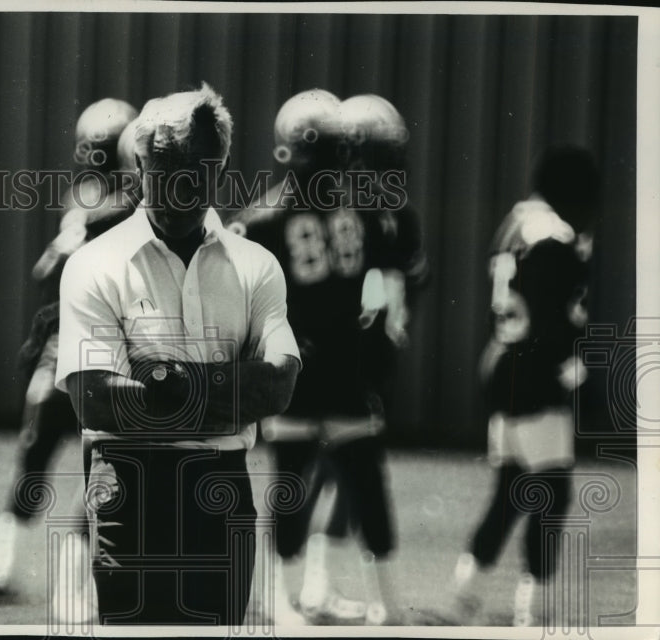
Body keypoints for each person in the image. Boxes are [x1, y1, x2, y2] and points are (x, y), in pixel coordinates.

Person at [56, 83, 301, 625]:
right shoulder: (95, 263)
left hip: (222, 484)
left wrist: (162, 381)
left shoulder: (256, 264)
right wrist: (224, 388)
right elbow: (95, 401)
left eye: (200, 168)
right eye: (166, 169)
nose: (183, 186)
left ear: (222, 166)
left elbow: (280, 384)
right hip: (129, 486)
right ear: (140, 164)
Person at [231, 91, 427, 626]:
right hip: (341, 367)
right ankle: (374, 600)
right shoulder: (364, 211)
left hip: (302, 368)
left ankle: (284, 598)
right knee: (357, 484)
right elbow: (398, 269)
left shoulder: (262, 217)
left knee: (302, 487)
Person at [0, 99, 139, 619]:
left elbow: (48, 268)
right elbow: (56, 266)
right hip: (84, 349)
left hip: (93, 350)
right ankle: (28, 572)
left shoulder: (106, 202)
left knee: (84, 463)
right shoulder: (111, 203)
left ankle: (54, 580)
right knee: (66, 460)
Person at [444, 146, 598, 627]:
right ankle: (536, 606)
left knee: (512, 491)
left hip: (502, 365)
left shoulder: (516, 220)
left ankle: (464, 593)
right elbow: (557, 311)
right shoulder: (556, 234)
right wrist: (569, 360)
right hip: (535, 370)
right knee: (552, 491)